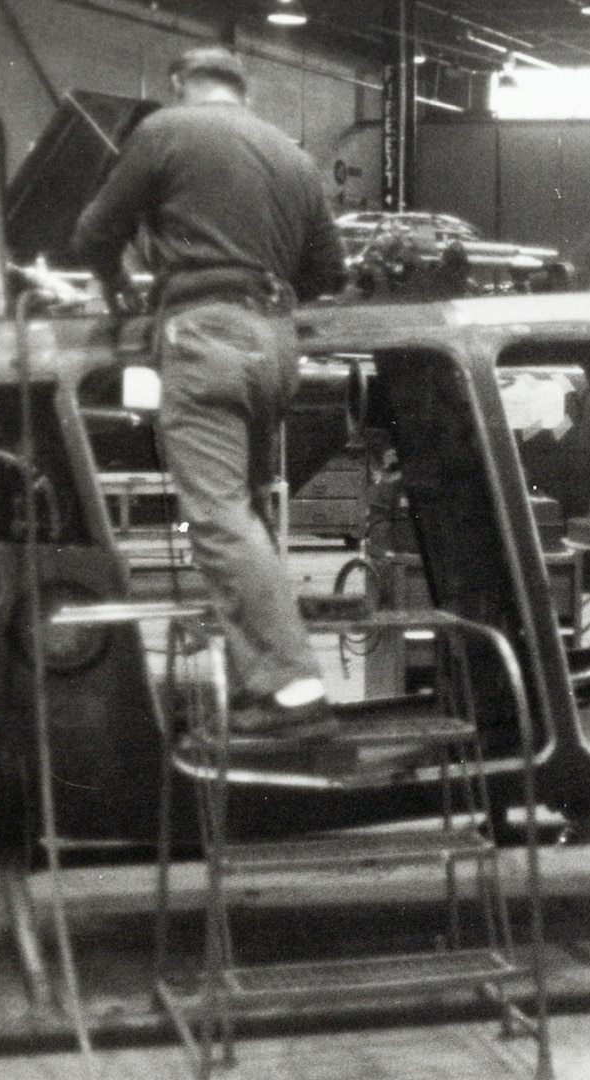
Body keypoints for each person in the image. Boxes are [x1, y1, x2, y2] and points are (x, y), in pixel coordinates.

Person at [72, 46, 347, 739]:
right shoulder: (291, 154)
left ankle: (292, 688)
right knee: (245, 516)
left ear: (179, 83)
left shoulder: (167, 129)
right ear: (243, 88)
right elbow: (328, 270)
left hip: (205, 337)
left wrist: (119, 291)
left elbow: (94, 231)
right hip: (275, 347)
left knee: (218, 516)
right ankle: (261, 680)